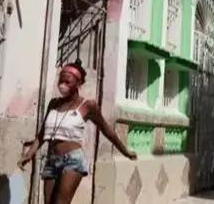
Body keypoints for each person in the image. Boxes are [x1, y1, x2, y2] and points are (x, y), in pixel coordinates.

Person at [17, 61, 137, 204]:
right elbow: (42, 134)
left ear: (78, 83)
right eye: (61, 81)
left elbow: (106, 130)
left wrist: (125, 151)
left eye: (67, 82)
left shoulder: (87, 105)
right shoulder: (54, 103)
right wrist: (29, 154)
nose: (62, 85)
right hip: (52, 159)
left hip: (72, 160)